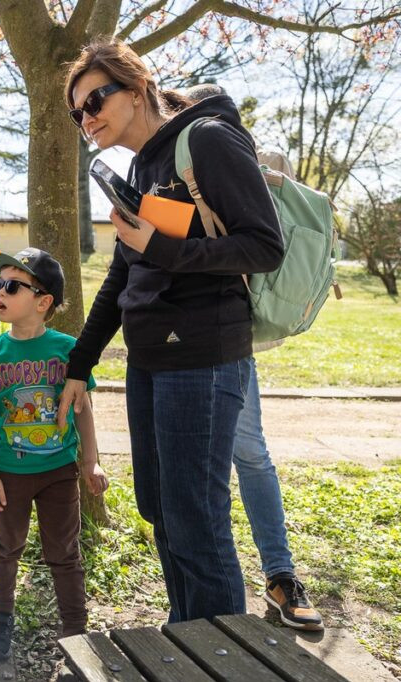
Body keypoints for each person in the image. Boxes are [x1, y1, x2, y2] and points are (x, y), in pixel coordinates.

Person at [59, 41, 285, 624]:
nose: (87, 118)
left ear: (137, 90)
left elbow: (263, 246)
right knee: (161, 508)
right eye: (77, 112)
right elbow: (122, 274)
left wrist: (158, 245)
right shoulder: (140, 167)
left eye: (96, 100)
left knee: (195, 515)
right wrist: (79, 364)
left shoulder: (206, 139)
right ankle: (187, 635)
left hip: (204, 358)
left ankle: (221, 652)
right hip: (150, 360)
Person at [183, 84, 323, 631]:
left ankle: (280, 576)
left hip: (232, 335)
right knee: (199, 467)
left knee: (250, 453)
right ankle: (209, 595)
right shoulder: (176, 163)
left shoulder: (245, 160)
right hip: (181, 337)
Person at [0, 247, 108, 660]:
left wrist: (90, 461)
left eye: (12, 285)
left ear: (43, 301)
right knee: (5, 546)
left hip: (59, 471)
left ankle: (75, 627)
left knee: (64, 551)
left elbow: (83, 410)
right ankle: (0, 619)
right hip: (10, 471)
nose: (0, 291)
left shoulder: (69, 350)